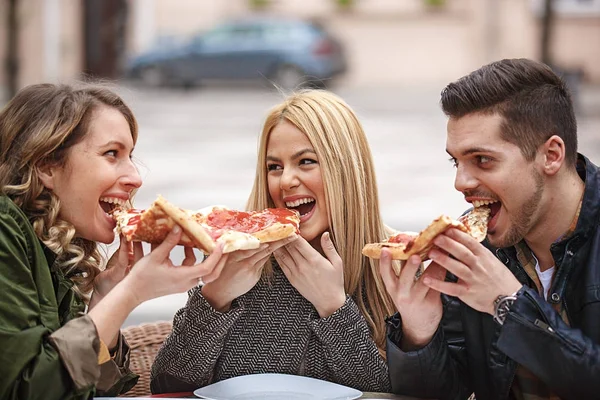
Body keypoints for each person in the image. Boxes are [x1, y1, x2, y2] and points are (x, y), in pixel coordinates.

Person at [381, 58, 600, 400]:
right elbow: (443, 392)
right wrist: (420, 334)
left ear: (551, 155)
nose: (460, 183)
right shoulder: (477, 245)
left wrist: (510, 305)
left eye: (482, 160)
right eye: (456, 161)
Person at [151, 89, 397, 394]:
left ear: (345, 169)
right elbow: (166, 385)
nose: (285, 181)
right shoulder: (238, 257)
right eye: (274, 167)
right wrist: (214, 298)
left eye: (305, 161)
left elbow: (398, 392)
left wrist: (333, 306)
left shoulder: (395, 264)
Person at [0, 83, 227, 399]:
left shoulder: (53, 246)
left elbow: (100, 390)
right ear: (46, 166)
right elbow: (28, 391)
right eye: (112, 154)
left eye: (130, 155)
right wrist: (131, 294)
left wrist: (107, 296)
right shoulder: (3, 230)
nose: (136, 177)